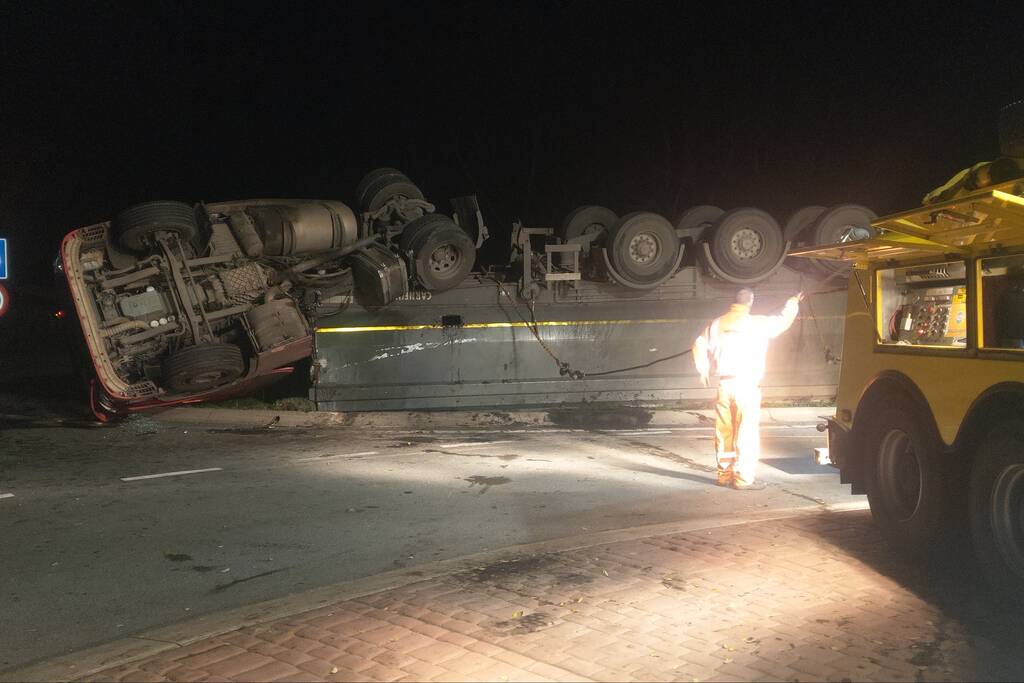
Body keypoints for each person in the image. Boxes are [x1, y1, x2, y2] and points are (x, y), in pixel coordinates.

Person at [692, 288, 803, 490]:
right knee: (746, 432)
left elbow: (699, 343)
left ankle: (724, 475)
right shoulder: (757, 323)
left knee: (724, 431)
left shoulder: (717, 324)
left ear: (733, 301)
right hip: (746, 385)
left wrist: (703, 370)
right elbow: (781, 321)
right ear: (750, 302)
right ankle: (743, 479)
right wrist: (793, 302)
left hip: (724, 385)